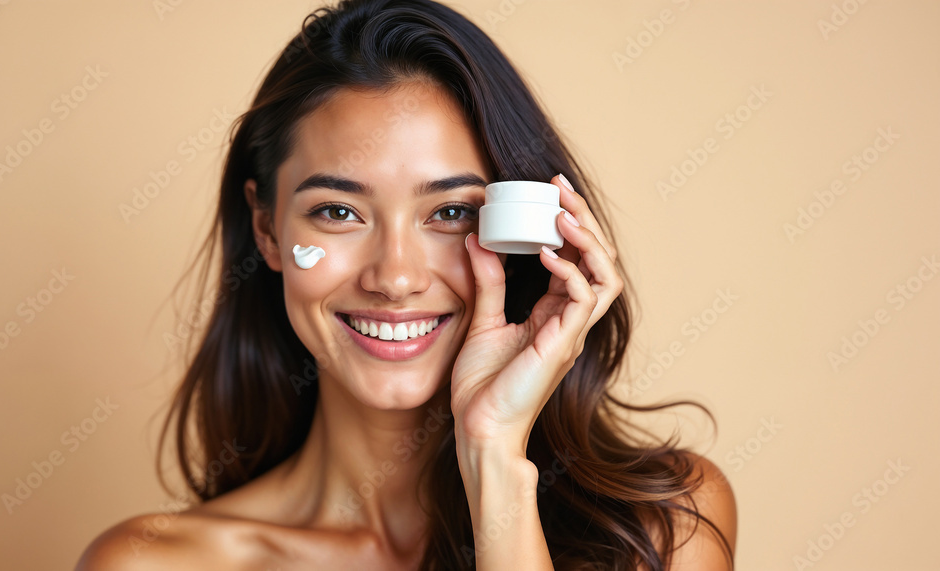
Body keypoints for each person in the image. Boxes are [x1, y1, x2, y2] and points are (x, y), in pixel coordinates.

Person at [76, 0, 736, 569]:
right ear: (267, 229)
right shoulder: (152, 561)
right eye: (338, 211)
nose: (395, 277)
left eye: (451, 213)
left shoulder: (662, 528)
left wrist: (494, 461)